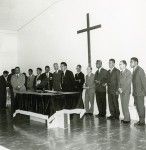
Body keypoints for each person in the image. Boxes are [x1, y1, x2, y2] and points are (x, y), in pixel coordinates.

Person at [130, 57, 146, 126]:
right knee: (138, 107)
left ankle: (142, 122)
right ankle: (140, 120)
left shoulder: (140, 70)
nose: (130, 63)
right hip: (136, 94)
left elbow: (144, 82)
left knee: (141, 107)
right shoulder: (134, 70)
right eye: (130, 62)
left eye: (131, 62)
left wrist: (144, 93)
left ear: (136, 62)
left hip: (140, 93)